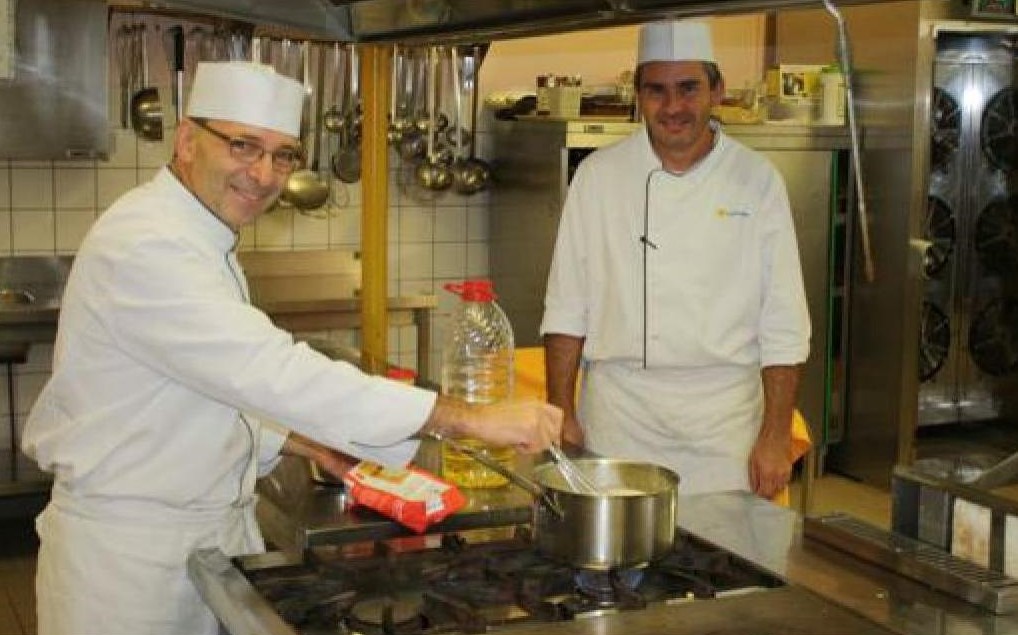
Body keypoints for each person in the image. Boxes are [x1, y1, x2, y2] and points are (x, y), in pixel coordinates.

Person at [22, 61, 562, 635]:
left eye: (283, 155)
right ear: (186, 141)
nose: (263, 174)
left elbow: (198, 388)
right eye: (242, 146)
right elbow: (267, 370)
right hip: (131, 571)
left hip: (193, 546)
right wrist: (470, 418)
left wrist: (303, 442)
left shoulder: (198, 235)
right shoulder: (147, 244)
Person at [541, 20, 810, 499]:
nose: (673, 107)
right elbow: (566, 306)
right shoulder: (598, 178)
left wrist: (775, 435)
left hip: (724, 430)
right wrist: (562, 410)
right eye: (656, 90)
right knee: (620, 549)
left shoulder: (757, 180)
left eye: (688, 88)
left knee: (725, 546)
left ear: (716, 91)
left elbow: (784, 321)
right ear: (638, 96)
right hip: (620, 422)